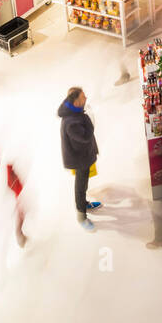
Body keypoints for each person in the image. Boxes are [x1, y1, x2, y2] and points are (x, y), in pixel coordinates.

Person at [57, 87, 100, 231]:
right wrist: (90, 118)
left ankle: (84, 203)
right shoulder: (71, 122)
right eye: (83, 97)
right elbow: (85, 136)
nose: (86, 98)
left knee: (84, 182)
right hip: (79, 159)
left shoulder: (75, 112)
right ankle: (81, 216)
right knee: (80, 186)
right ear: (76, 102)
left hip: (83, 155)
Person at [0, 145, 28, 248]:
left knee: (19, 203)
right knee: (18, 203)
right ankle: (18, 233)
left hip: (11, 175)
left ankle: (18, 231)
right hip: (9, 177)